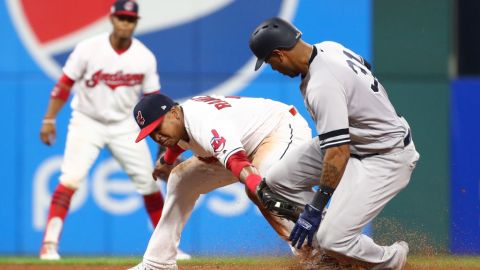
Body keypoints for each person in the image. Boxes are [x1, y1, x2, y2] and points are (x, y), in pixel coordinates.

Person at [249, 17, 420, 269]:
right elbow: (365, 65)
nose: (273, 68)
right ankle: (332, 241)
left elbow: (338, 152)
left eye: (269, 61)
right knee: (273, 185)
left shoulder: (322, 85)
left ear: (279, 54)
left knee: (333, 239)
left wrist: (316, 207)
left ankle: (391, 260)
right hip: (357, 141)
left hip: (385, 156)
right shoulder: (330, 47)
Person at [38, 0, 190, 261]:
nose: (125, 23)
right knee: (70, 179)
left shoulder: (143, 56)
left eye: (130, 19)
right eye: (121, 18)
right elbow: (64, 84)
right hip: (87, 120)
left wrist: (164, 146)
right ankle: (49, 245)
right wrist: (49, 119)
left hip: (124, 126)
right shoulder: (88, 48)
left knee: (148, 183)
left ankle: (167, 249)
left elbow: (155, 104)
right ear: (111, 19)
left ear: (136, 23)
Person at [128, 93, 312, 270]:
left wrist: (259, 188)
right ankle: (158, 263)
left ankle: (315, 251)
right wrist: (167, 161)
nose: (157, 137)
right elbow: (184, 138)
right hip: (243, 143)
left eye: (158, 128)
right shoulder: (181, 121)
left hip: (279, 129)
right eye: (151, 133)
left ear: (174, 112)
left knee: (264, 186)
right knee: (180, 179)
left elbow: (237, 161)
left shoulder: (203, 123)